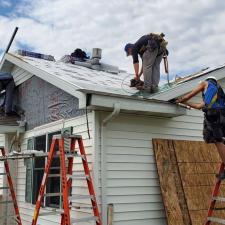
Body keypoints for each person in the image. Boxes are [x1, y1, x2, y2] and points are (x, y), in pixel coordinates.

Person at [176, 76, 225, 179]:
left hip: (214, 115)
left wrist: (181, 100)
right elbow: (199, 106)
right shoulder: (217, 91)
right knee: (221, 139)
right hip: (223, 115)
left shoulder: (205, 83)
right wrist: (185, 103)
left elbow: (190, 95)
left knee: (218, 141)